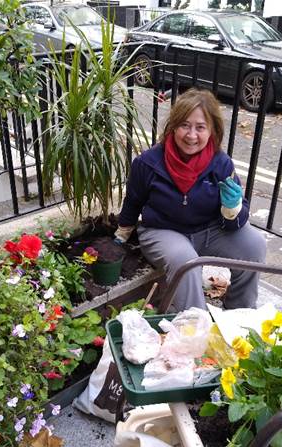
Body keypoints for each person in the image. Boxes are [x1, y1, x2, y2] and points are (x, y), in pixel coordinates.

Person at [114, 88, 266, 311]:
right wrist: (121, 234)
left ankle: (240, 314)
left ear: (212, 131)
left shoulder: (221, 164)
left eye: (200, 127)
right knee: (186, 261)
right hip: (164, 231)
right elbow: (133, 201)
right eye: (184, 125)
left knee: (254, 246)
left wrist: (232, 209)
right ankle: (196, 325)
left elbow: (236, 221)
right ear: (173, 126)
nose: (191, 135)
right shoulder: (148, 163)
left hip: (210, 230)